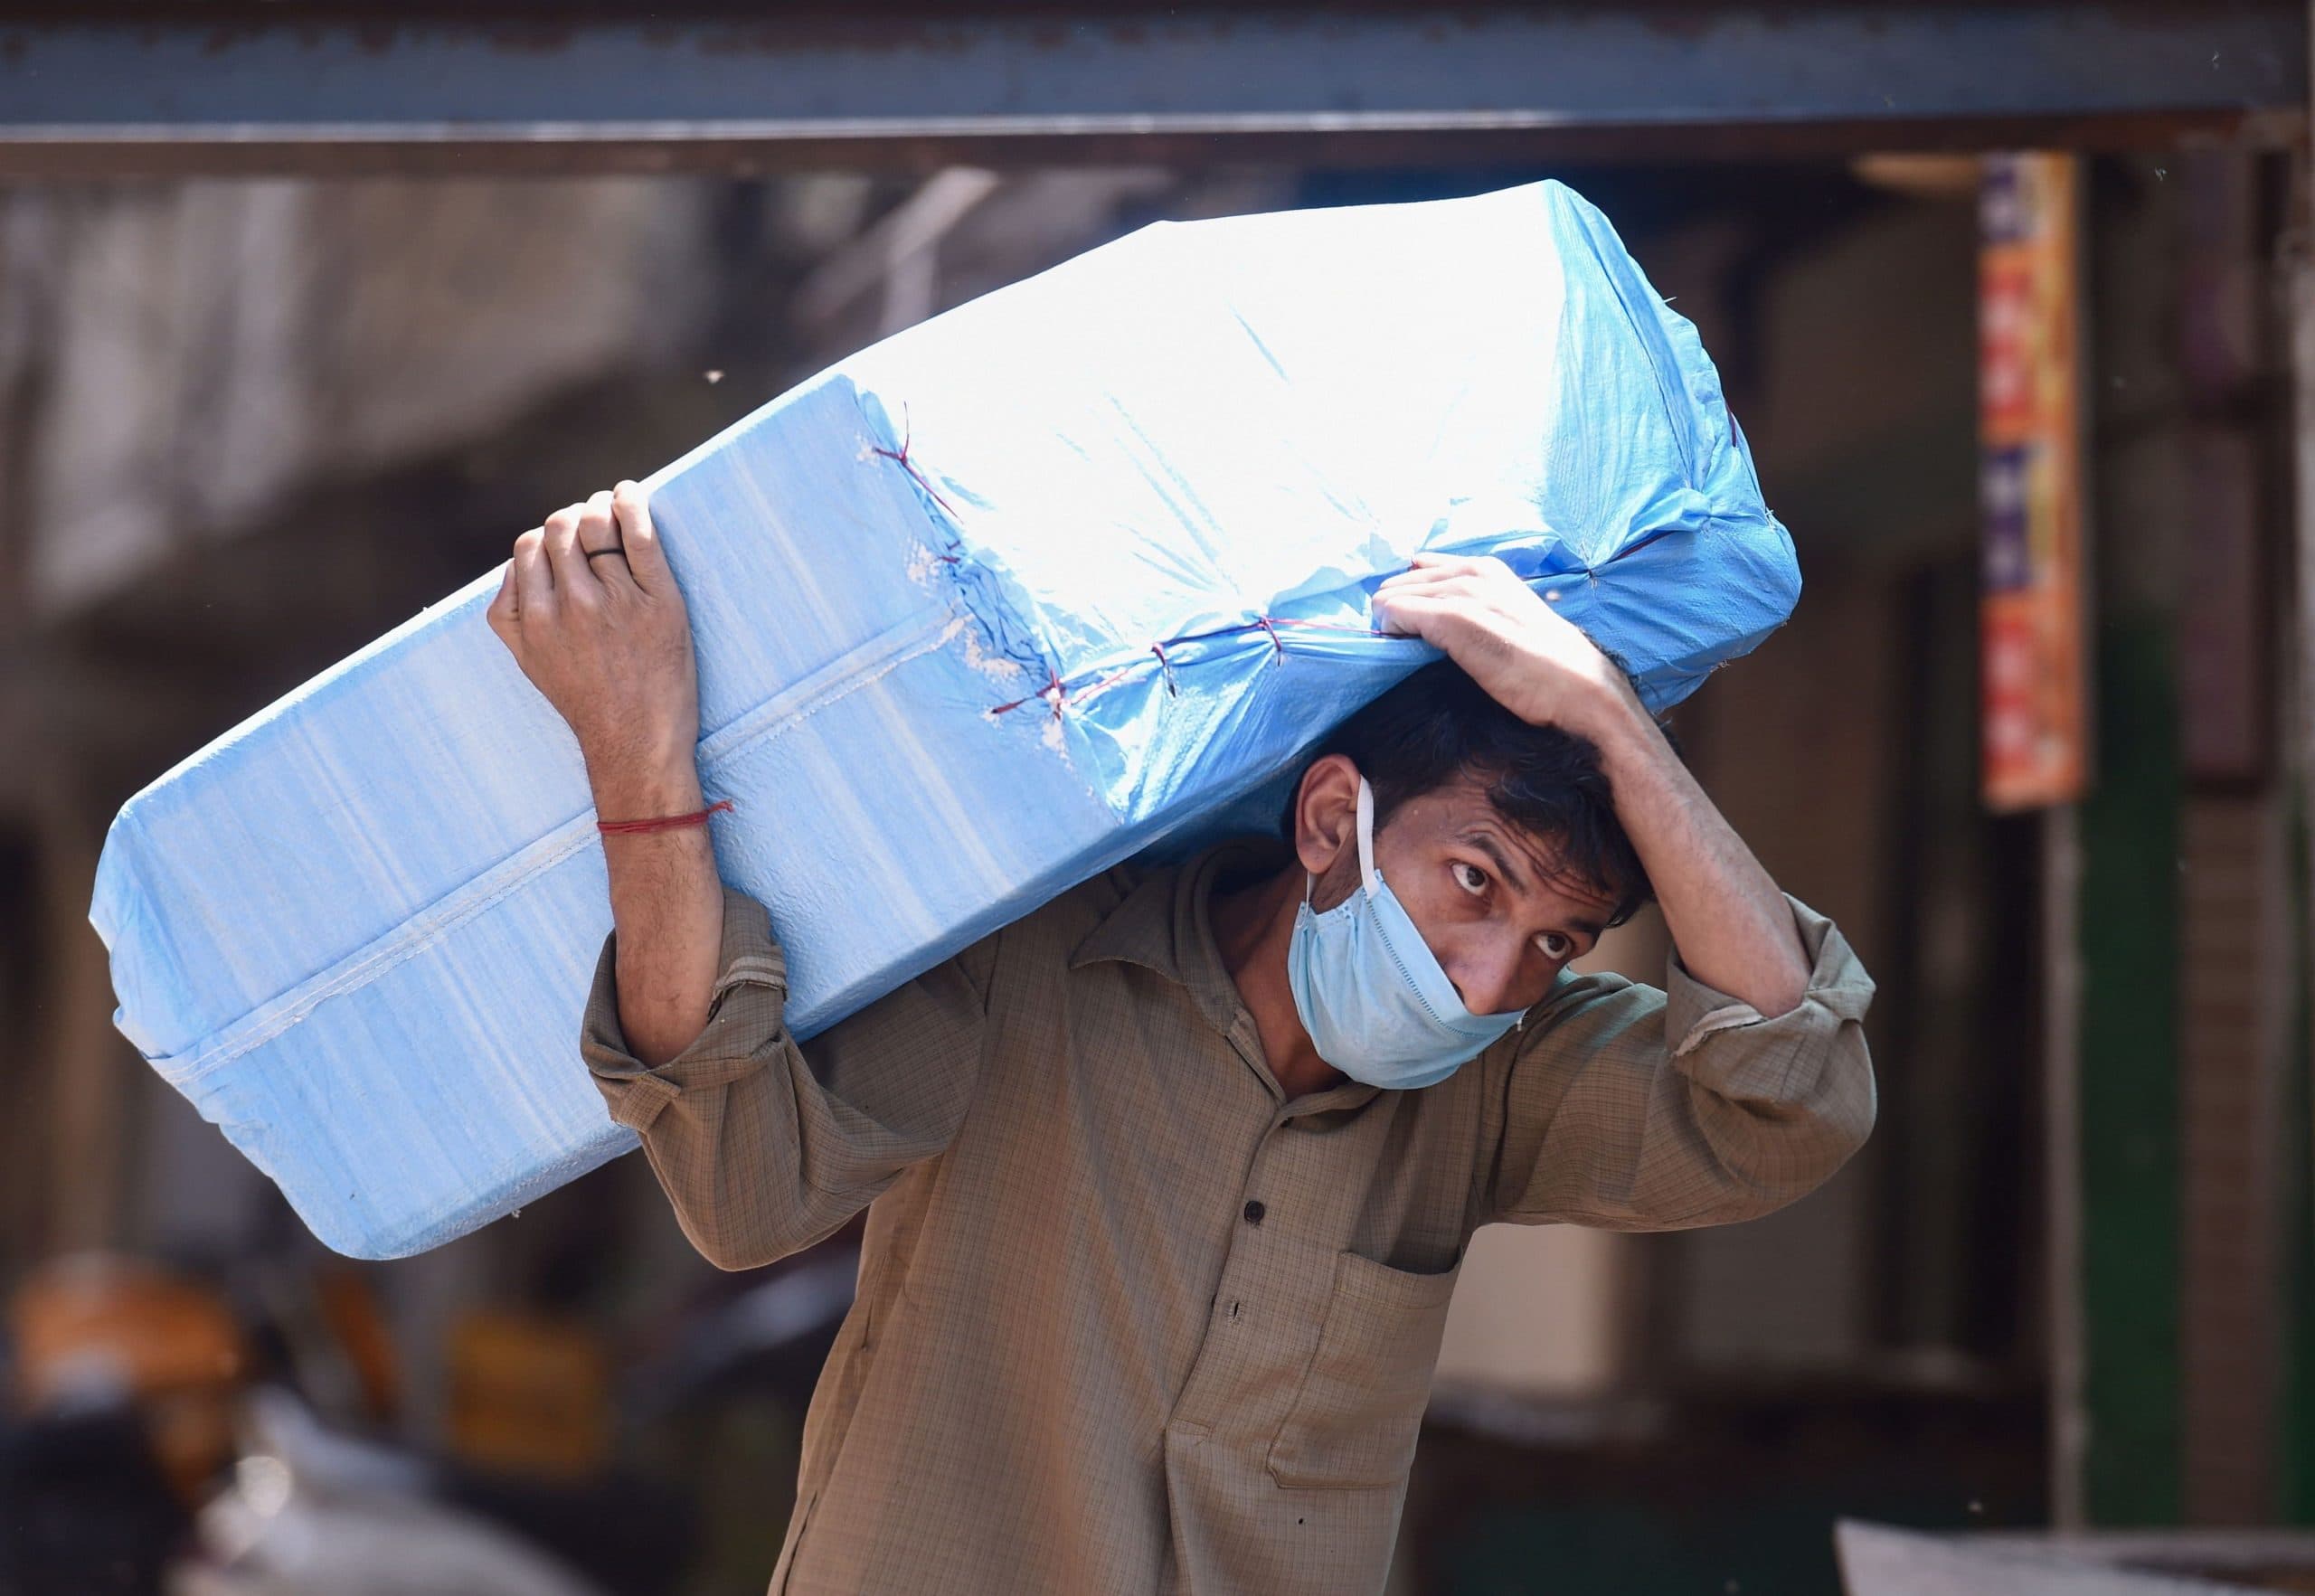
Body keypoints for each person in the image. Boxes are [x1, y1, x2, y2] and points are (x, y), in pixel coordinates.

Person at [487, 482, 1876, 1596]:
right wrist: (639, 756)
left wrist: (1612, 723)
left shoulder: (1500, 1085)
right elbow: (741, 1187)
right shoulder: (1039, 960)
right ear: (1334, 818)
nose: (1486, 981)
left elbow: (1792, 1104)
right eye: (1476, 883)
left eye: (1557, 945)